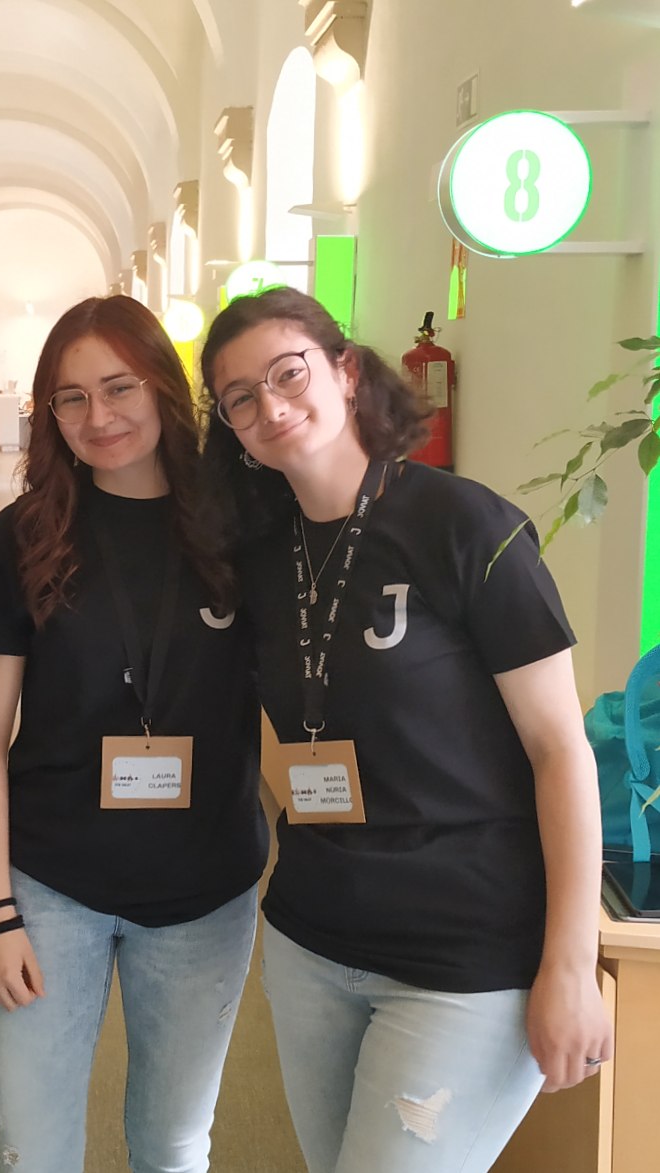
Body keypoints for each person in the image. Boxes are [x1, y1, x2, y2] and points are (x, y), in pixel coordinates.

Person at [198, 286, 612, 1173]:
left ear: (347, 371)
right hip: (313, 942)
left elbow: (560, 750)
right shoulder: (262, 558)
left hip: (465, 952)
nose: (270, 405)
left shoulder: (464, 525)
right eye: (240, 397)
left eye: (288, 373)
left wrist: (571, 966)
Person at [0, 296, 266, 1173]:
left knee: (172, 1145)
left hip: (206, 889)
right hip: (52, 886)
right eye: (72, 397)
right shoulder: (23, 536)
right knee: (33, 1148)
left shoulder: (241, 528)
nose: (99, 416)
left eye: (120, 387)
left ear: (163, 384)